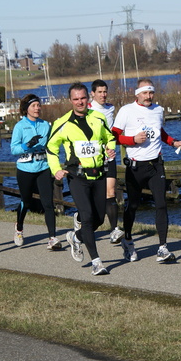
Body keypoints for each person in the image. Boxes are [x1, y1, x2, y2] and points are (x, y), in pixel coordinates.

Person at [112, 78, 181, 263]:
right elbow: (113, 136)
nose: (148, 96)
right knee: (134, 205)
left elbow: (159, 131)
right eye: (145, 93)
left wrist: (173, 142)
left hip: (156, 165)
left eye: (151, 92)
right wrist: (132, 140)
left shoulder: (158, 110)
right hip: (136, 167)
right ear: (137, 94)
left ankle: (162, 247)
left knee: (161, 204)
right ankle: (128, 241)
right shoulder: (126, 111)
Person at [46, 82, 116, 276]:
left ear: (88, 98)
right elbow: (51, 148)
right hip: (77, 176)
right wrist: (55, 169)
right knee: (86, 216)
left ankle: (76, 237)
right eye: (76, 99)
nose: (80, 102)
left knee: (99, 219)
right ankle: (96, 262)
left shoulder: (98, 118)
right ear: (70, 101)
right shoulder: (62, 123)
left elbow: (109, 138)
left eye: (83, 98)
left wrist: (110, 148)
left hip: (99, 174)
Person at [72, 79, 125, 245]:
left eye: (105, 91)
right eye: (100, 92)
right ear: (92, 94)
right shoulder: (87, 109)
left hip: (108, 157)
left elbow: (113, 133)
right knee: (91, 200)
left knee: (111, 192)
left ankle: (114, 230)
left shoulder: (110, 108)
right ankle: (80, 218)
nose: (103, 95)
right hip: (90, 160)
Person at [10, 94, 61, 250]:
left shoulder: (45, 125)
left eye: (39, 105)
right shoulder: (20, 126)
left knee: (48, 203)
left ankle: (52, 238)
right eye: (34, 106)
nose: (37, 108)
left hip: (43, 168)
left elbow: (52, 145)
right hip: (25, 169)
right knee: (26, 201)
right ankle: (19, 229)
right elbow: (13, 149)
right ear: (26, 109)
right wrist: (27, 145)